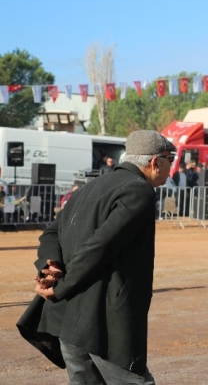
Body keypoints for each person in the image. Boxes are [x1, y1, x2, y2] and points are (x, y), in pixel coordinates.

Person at [17, 130, 176, 385]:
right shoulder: (138, 191)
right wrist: (60, 286)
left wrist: (50, 267)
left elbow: (50, 233)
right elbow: (101, 246)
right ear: (155, 162)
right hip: (104, 323)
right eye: (170, 158)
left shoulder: (89, 188)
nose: (172, 165)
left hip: (68, 320)